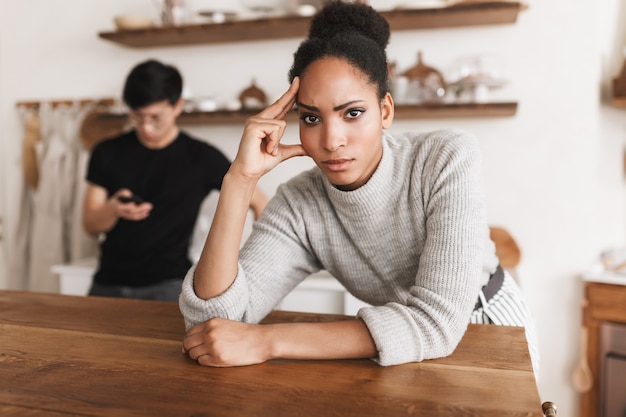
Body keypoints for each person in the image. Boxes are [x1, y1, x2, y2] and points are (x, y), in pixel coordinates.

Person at [179, 1, 539, 373]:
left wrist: (267, 340)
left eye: (352, 113)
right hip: (395, 349)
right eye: (311, 117)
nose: (332, 140)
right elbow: (212, 320)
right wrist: (240, 180)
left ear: (385, 111)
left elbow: (438, 323)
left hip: (489, 332)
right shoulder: (301, 202)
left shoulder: (445, 157)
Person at [83, 59, 267, 302]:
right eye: (137, 116)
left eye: (155, 117)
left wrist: (254, 267)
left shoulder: (201, 157)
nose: (146, 127)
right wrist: (113, 209)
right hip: (107, 284)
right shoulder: (107, 151)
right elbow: (90, 224)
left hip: (170, 286)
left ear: (177, 106)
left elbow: (259, 202)